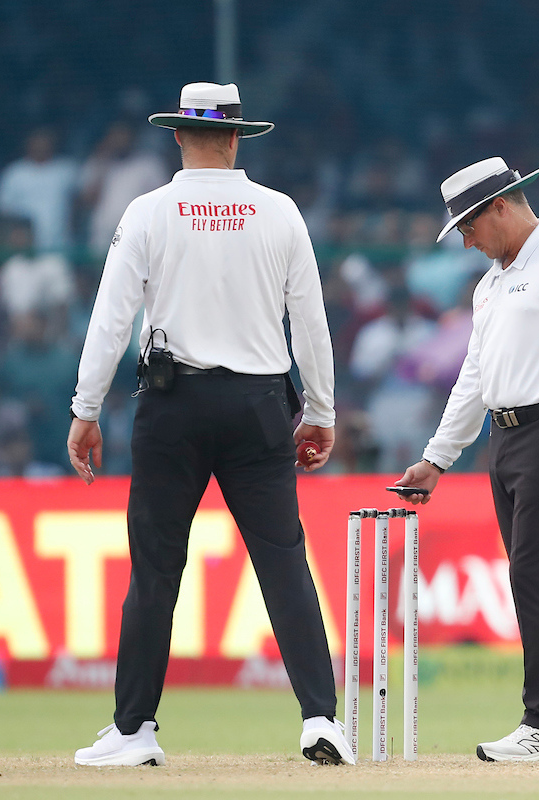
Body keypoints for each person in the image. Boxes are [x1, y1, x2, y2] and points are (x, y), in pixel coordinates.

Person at [68, 83, 353, 767]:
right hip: (259, 405)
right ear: (236, 138)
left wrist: (84, 409)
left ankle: (135, 731)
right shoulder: (280, 212)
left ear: (177, 137)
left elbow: (112, 319)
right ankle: (321, 721)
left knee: (157, 568)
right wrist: (320, 411)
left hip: (172, 405)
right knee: (283, 561)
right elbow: (310, 323)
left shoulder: (147, 212)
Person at [394, 157, 539, 763]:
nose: (467, 242)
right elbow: (474, 377)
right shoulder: (491, 284)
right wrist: (437, 459)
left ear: (500, 206)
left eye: (469, 227)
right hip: (507, 438)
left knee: (532, 574)